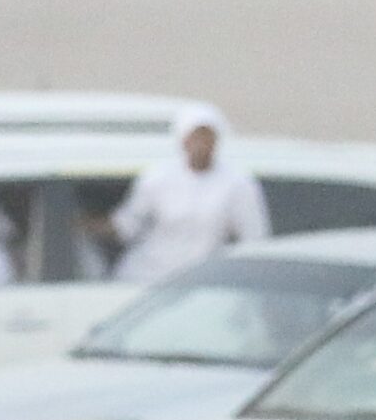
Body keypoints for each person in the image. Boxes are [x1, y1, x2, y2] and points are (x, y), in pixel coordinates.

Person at [103, 103, 270, 284]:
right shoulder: (158, 178)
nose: (202, 145)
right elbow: (127, 226)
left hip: (204, 282)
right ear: (183, 139)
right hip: (146, 277)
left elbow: (254, 237)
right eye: (195, 137)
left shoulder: (237, 183)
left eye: (208, 137)